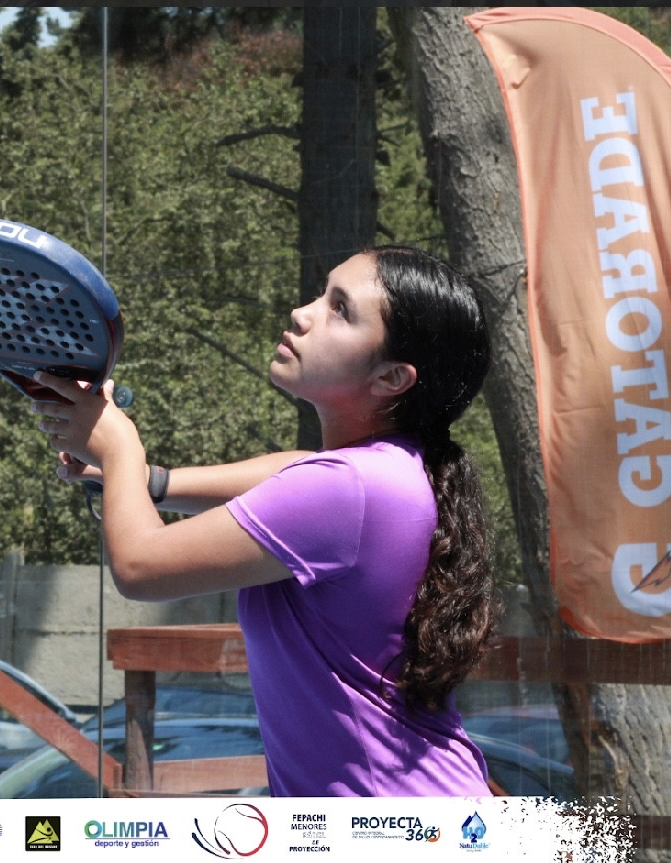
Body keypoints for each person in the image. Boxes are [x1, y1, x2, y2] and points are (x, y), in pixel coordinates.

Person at [29, 245, 499, 797]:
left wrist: (119, 448)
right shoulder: (391, 473)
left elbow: (139, 567)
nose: (302, 313)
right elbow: (290, 472)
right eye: (322, 294)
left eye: (340, 309)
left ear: (391, 377)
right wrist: (140, 480)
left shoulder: (348, 488)